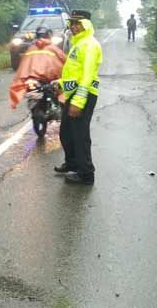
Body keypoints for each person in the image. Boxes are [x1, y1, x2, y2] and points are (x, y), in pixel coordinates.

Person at [55, 10, 103, 185]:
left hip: (83, 95)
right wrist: (60, 83)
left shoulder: (89, 44)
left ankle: (86, 174)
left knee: (80, 135)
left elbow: (88, 75)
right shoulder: (78, 43)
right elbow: (75, 73)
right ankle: (72, 163)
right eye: (72, 23)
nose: (74, 27)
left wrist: (78, 102)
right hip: (73, 94)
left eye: (78, 23)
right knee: (66, 133)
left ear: (87, 25)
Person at [9, 25, 66, 109]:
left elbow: (23, 66)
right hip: (48, 79)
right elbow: (64, 62)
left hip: (33, 79)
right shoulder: (54, 48)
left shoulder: (31, 48)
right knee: (60, 92)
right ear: (49, 35)